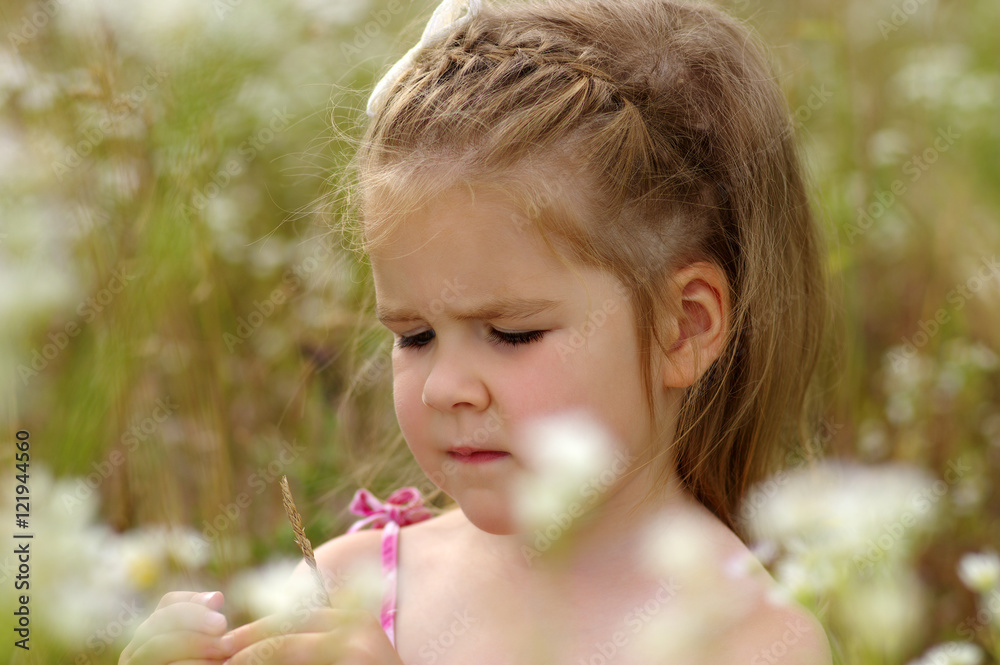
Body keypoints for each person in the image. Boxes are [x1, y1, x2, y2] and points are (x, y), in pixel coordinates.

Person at [120, 0, 833, 663]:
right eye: (414, 335)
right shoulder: (353, 586)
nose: (444, 387)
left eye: (510, 331)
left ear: (685, 327)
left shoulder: (748, 638)